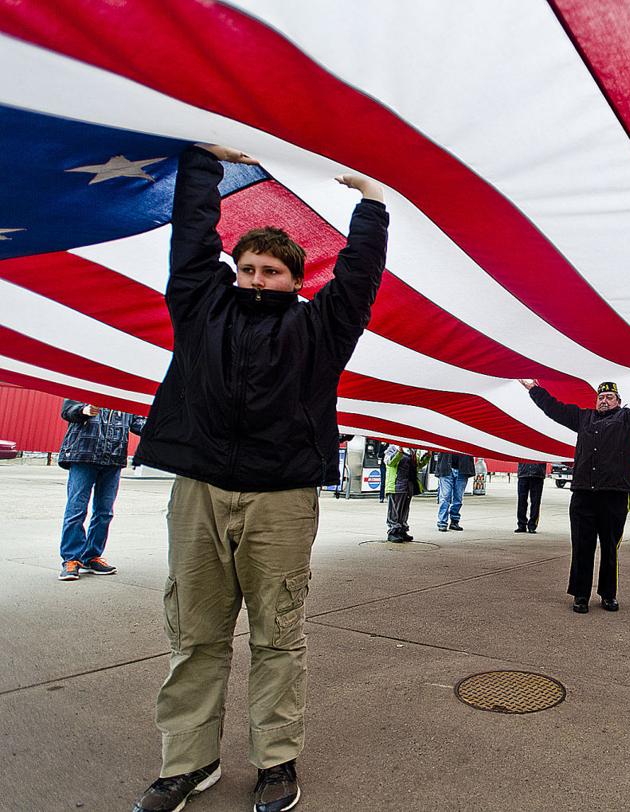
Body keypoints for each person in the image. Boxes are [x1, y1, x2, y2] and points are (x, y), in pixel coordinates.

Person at [129, 143, 388, 812]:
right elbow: (191, 244)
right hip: (199, 494)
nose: (253, 278)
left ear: (295, 279)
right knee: (195, 636)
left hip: (281, 500)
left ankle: (276, 763)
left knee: (277, 636)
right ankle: (187, 764)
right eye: (244, 268)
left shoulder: (320, 329)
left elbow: (358, 279)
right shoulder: (201, 310)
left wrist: (373, 203)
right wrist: (204, 165)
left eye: (270, 270)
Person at [520, 367, 630, 612]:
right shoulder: (583, 418)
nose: (604, 400)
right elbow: (555, 408)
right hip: (583, 494)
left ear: (618, 401)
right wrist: (535, 390)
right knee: (582, 546)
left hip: (614, 496)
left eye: (609, 397)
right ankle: (580, 595)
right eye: (601, 397)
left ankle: (608, 595)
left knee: (609, 548)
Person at [55, 400, 145, 581]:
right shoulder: (87, 384)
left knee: (105, 512)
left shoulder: (126, 395)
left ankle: (92, 556)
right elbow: (68, 411)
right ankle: (71, 559)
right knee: (76, 509)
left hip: (113, 457)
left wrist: (166, 425)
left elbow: (138, 423)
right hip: (83, 454)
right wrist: (84, 410)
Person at [384, 446, 426, 542]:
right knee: (394, 510)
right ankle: (393, 532)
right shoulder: (392, 448)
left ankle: (402, 530)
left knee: (404, 510)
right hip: (396, 485)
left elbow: (418, 465)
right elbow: (389, 462)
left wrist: (427, 457)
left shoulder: (412, 450)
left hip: (408, 484)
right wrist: (399, 452)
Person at [433, 452, 475, 532]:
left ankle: (454, 520)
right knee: (445, 496)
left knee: (458, 498)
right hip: (446, 468)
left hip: (463, 469)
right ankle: (442, 522)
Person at [515, 461, 547, 533]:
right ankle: (521, 524)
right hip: (523, 474)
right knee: (521, 501)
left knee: (535, 501)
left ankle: (532, 525)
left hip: (537, 475)